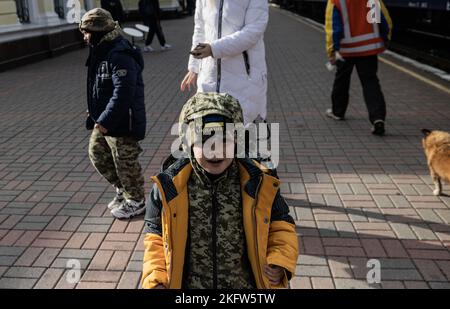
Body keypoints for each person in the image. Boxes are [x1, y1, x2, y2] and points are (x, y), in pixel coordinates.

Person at [141, 92, 298, 289]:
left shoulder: (258, 183)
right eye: (203, 141)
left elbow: (281, 224)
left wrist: (280, 261)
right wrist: (156, 278)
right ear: (187, 143)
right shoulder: (169, 187)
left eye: (225, 140)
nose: (214, 150)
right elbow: (155, 235)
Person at [79, 8, 147, 219]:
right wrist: (96, 111)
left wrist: (106, 118)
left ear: (97, 30)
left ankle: (136, 200)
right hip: (106, 119)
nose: (84, 36)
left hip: (122, 121)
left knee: (125, 161)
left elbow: (123, 93)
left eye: (86, 32)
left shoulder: (119, 53)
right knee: (97, 153)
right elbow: (100, 85)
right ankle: (123, 190)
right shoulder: (101, 48)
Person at [180, 0, 269, 126]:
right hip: (209, 79)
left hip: (245, 82)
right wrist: (194, 67)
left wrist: (214, 49)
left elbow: (253, 31)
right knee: (211, 139)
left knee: (246, 138)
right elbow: (200, 29)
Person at [325, 0, 392, 136]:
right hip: (368, 48)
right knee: (370, 82)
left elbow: (333, 28)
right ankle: (377, 118)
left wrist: (332, 51)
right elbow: (381, 19)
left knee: (342, 80)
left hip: (346, 50)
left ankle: (338, 112)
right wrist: (385, 38)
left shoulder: (336, 1)